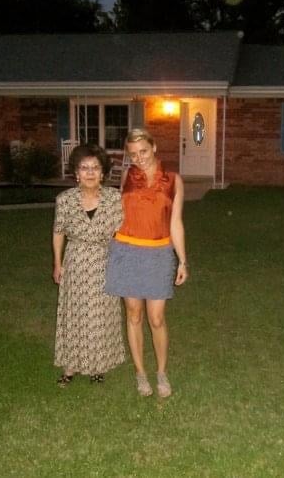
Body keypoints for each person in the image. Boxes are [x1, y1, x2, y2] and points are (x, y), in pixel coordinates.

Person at [105, 128, 188, 397]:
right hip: (127, 250)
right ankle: (141, 374)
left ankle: (161, 373)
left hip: (159, 253)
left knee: (156, 317)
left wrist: (182, 260)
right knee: (133, 314)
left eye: (143, 151)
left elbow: (175, 222)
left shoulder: (174, 180)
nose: (138, 158)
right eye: (132, 154)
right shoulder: (128, 177)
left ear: (154, 147)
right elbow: (115, 213)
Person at [52, 144, 125, 386]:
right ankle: (70, 366)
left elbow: (121, 234)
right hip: (75, 263)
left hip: (105, 262)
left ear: (103, 173)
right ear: (76, 173)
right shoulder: (65, 200)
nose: (90, 172)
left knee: (101, 315)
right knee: (74, 314)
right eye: (85, 168)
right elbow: (58, 232)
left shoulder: (114, 198)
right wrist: (57, 264)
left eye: (95, 168)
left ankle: (98, 365)